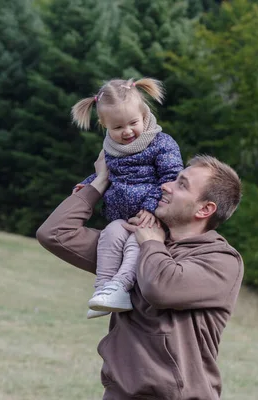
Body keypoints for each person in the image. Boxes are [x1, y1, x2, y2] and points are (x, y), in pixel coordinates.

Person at [36, 150, 244, 399]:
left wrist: (151, 244)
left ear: (205, 209)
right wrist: (101, 181)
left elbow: (162, 288)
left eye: (181, 185)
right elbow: (55, 233)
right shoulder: (135, 242)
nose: (165, 185)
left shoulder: (221, 260)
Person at [70, 77, 184, 319]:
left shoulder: (160, 143)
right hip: (121, 217)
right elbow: (107, 175)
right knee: (109, 236)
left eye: (133, 123)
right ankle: (103, 289)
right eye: (118, 127)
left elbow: (171, 177)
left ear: (144, 114)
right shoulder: (111, 149)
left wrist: (151, 207)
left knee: (137, 244)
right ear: (104, 125)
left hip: (150, 218)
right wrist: (88, 184)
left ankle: (121, 287)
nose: (127, 131)